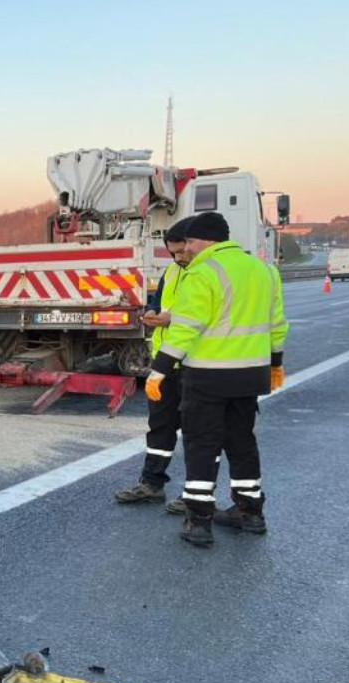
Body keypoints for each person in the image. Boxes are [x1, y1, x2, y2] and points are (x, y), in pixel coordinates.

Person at [146, 212, 288, 548]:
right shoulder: (265, 271)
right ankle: (250, 512)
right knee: (242, 443)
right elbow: (277, 324)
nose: (187, 250)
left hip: (208, 377)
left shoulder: (203, 272)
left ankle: (198, 520)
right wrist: (276, 365)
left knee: (201, 445)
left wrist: (160, 370)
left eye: (190, 242)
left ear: (207, 239)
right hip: (251, 376)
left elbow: (185, 329)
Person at [115, 217, 195, 511]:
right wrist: (151, 312)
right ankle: (152, 483)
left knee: (198, 432)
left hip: (196, 364)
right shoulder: (173, 272)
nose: (178, 258)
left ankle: (195, 495)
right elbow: (159, 301)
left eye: (182, 251)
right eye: (173, 253)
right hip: (166, 363)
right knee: (160, 426)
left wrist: (170, 318)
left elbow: (206, 315)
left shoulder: (207, 273)